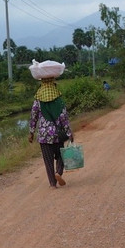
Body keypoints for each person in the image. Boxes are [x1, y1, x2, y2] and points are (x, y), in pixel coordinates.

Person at [27, 59, 74, 189]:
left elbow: (33, 117)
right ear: (53, 82)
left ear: (42, 83)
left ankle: (52, 184)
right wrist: (69, 133)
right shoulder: (59, 100)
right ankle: (58, 172)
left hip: (43, 136)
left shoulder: (38, 100)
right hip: (58, 135)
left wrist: (31, 133)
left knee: (48, 161)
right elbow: (64, 118)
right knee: (61, 156)